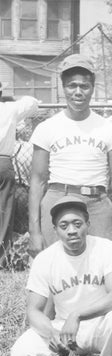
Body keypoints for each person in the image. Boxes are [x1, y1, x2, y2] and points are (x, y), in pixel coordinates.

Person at [11, 196, 112, 356]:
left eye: (77, 224)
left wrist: (77, 315)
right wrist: (52, 336)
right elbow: (33, 311)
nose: (72, 231)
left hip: (100, 324)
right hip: (64, 332)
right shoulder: (45, 259)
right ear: (56, 229)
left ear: (88, 224)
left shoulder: (105, 248)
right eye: (64, 226)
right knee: (20, 353)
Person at [28, 55, 112, 267]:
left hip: (96, 202)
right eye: (72, 86)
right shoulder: (47, 128)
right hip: (58, 199)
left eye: (84, 86)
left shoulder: (108, 128)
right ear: (63, 88)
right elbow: (37, 181)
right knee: (55, 269)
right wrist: (34, 231)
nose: (78, 92)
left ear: (93, 88)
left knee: (102, 268)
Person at [0, 81, 38, 266]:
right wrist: (11, 100)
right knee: (4, 210)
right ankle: (2, 257)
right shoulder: (9, 109)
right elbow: (32, 102)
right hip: (2, 160)